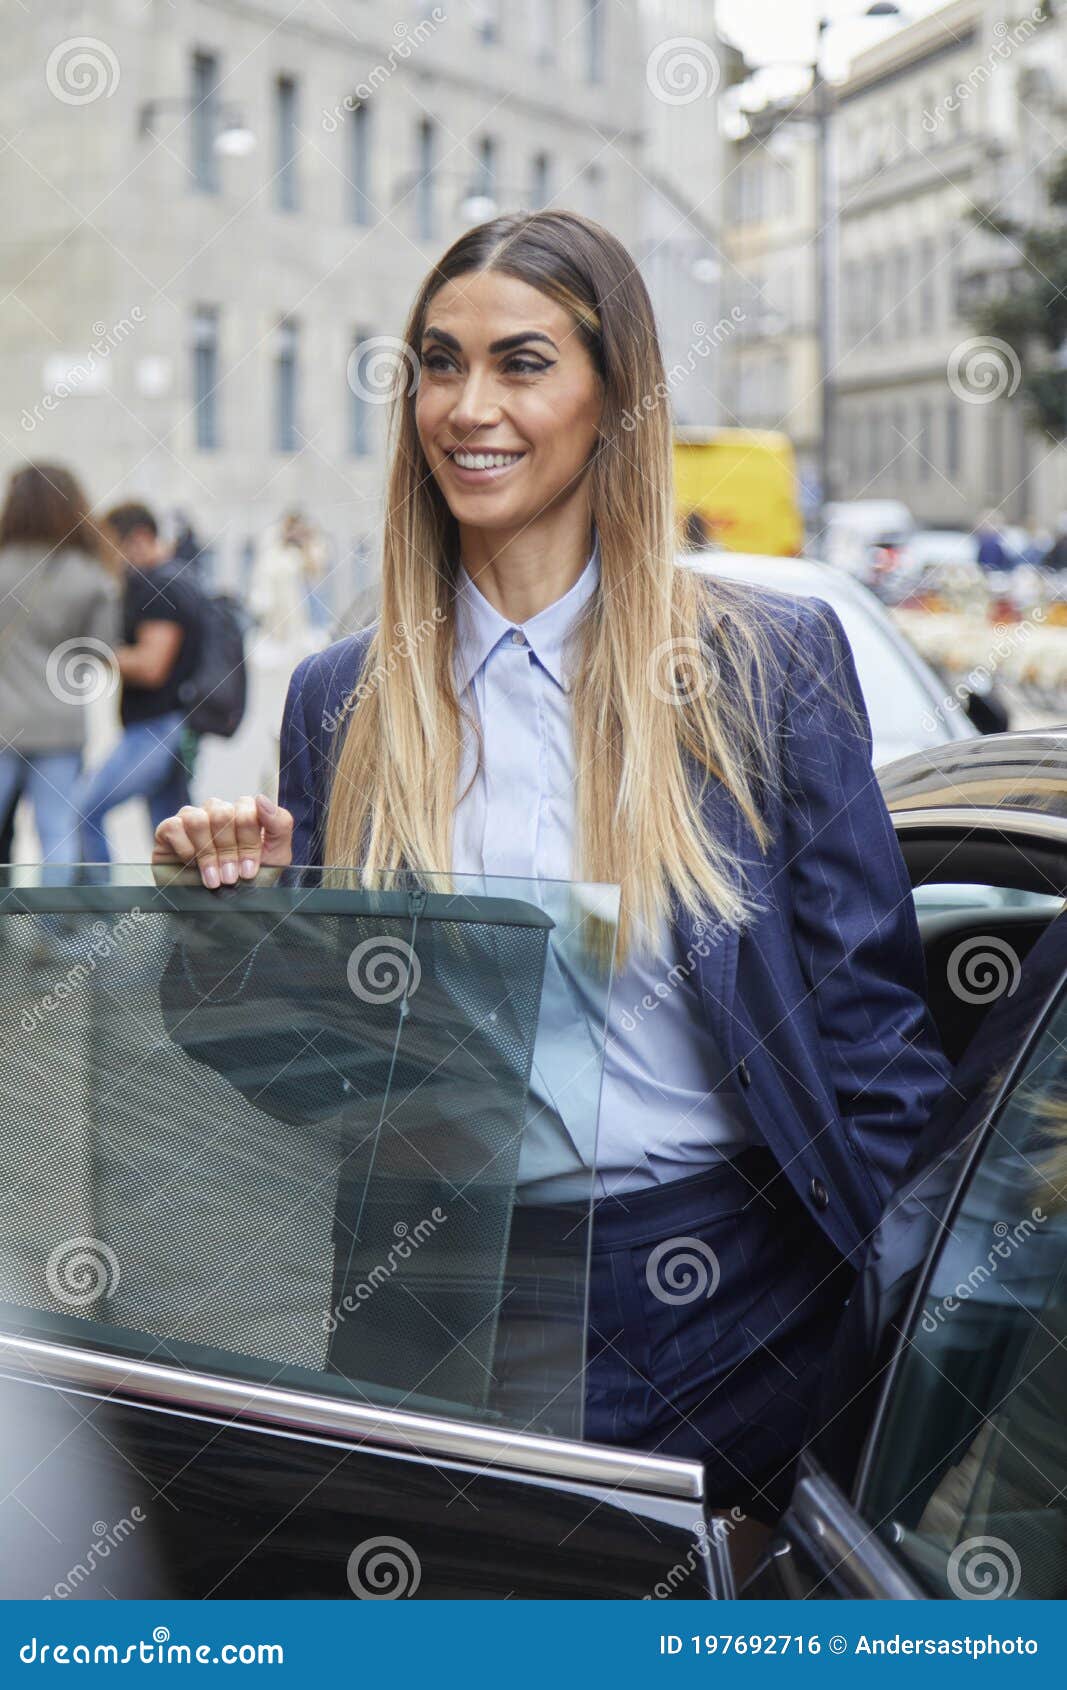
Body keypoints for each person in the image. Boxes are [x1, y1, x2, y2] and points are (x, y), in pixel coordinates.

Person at [151, 210, 952, 1519]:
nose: (468, 407)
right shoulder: (339, 700)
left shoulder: (762, 665)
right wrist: (223, 928)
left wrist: (918, 1334)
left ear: (611, 399)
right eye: (437, 362)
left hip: (730, 1308)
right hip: (437, 1294)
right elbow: (319, 1080)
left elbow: (873, 1047)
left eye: (521, 362)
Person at [0, 463, 121, 874]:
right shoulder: (91, 574)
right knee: (56, 833)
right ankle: (48, 934)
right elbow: (101, 650)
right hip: (59, 721)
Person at [74, 501, 201, 864]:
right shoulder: (177, 579)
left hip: (157, 728)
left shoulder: (158, 587)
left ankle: (97, 915)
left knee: (83, 811)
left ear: (140, 539)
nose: (109, 560)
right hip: (170, 724)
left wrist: (91, 648)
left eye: (112, 547)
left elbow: (150, 665)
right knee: (175, 838)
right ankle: (188, 919)